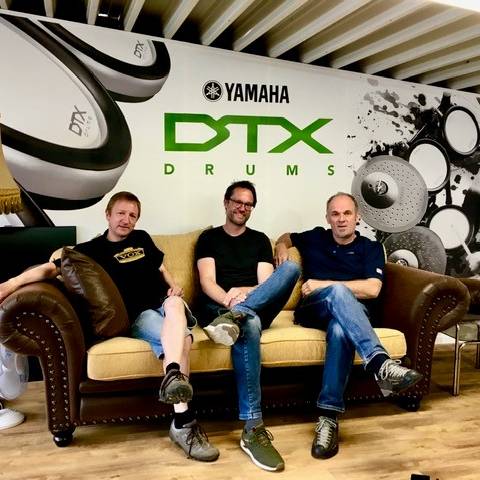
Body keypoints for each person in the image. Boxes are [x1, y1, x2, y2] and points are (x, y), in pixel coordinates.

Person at [0, 191, 219, 462]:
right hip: (140, 315)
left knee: (174, 305)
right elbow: (48, 269)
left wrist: (174, 285)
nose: (126, 220)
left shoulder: (142, 238)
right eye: (121, 213)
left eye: (133, 215)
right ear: (108, 215)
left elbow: (161, 268)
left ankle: (173, 378)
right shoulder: (90, 251)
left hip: (166, 304)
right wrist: (10, 284)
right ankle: (183, 421)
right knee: (183, 340)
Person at [274, 192, 423, 460]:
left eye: (347, 213)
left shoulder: (370, 248)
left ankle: (328, 418)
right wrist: (281, 248)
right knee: (338, 293)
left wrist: (325, 284)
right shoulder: (315, 237)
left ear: (357, 217)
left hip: (352, 312)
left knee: (340, 329)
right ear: (327, 218)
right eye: (335, 214)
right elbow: (286, 237)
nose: (341, 219)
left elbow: (373, 289)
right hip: (314, 308)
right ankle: (380, 364)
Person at [195, 180, 300, 472]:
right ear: (226, 202)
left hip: (252, 303)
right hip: (219, 306)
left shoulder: (259, 240)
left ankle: (236, 317)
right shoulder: (209, 238)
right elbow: (207, 282)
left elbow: (266, 285)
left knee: (291, 268)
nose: (243, 207)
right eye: (238, 202)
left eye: (248, 204)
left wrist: (242, 296)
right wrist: (229, 302)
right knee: (250, 324)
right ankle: (253, 429)